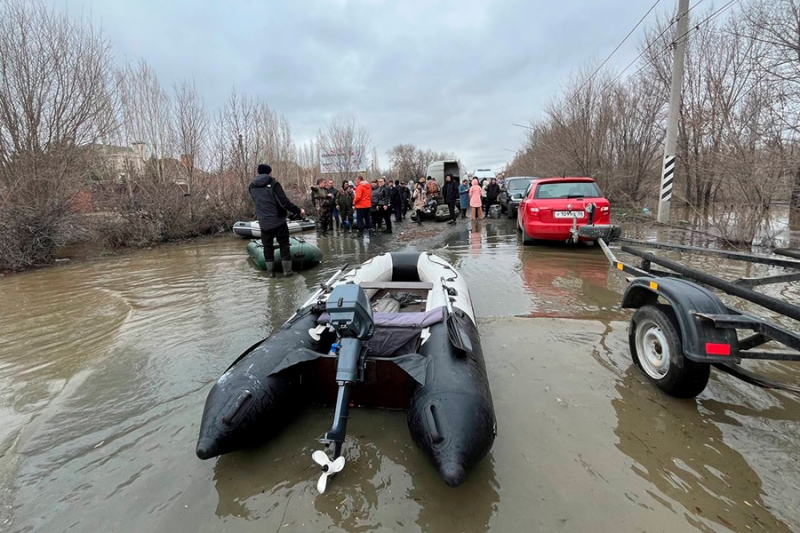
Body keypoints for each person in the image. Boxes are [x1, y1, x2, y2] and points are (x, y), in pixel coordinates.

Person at [249, 163, 304, 277]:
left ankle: (270, 273)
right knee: (284, 245)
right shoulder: (274, 184)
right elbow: (284, 202)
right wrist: (298, 211)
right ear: (269, 172)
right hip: (278, 220)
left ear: (258, 172)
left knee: (267, 246)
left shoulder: (252, 186)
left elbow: (257, 201)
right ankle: (287, 272)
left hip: (263, 221)